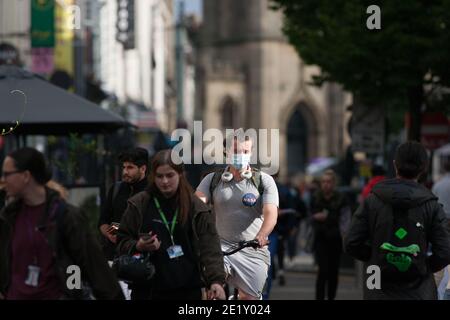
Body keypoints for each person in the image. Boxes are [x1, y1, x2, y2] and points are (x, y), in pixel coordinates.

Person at [0, 147, 123, 300]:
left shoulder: (66, 217)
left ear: (26, 176)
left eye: (7, 174)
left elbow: (97, 271)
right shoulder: (8, 217)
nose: (3, 180)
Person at [345, 141, 450, 300]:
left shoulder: (372, 201)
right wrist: (423, 265)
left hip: (377, 287)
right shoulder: (432, 206)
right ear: (423, 168)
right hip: (418, 291)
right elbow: (445, 251)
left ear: (395, 165)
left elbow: (351, 243)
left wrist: (375, 256)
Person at [117, 150, 226, 300]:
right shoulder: (139, 204)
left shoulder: (197, 208)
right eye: (159, 176)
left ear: (180, 175)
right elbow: (121, 240)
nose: (165, 181)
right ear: (152, 176)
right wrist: (139, 245)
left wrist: (216, 281)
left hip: (187, 289)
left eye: (170, 175)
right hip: (148, 289)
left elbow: (210, 247)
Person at [195, 130, 279, 300]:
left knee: (249, 299)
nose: (240, 155)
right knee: (212, 292)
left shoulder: (264, 181)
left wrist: (262, 235)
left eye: (245, 152)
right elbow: (196, 206)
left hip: (253, 249)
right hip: (219, 249)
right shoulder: (212, 180)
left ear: (251, 152)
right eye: (235, 151)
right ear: (226, 151)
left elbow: (271, 213)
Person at [98, 148, 149, 261]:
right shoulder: (117, 189)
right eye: (124, 167)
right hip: (114, 255)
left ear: (143, 169)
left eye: (130, 168)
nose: (125, 172)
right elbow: (105, 220)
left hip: (143, 257)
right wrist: (112, 233)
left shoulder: (151, 191)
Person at [311, 169, 351, 300]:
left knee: (333, 272)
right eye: (323, 182)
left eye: (328, 182)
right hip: (320, 239)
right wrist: (316, 218)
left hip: (335, 240)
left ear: (333, 183)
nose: (325, 184)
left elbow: (344, 218)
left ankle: (331, 297)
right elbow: (311, 216)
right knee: (322, 271)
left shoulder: (341, 198)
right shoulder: (316, 197)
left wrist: (326, 217)